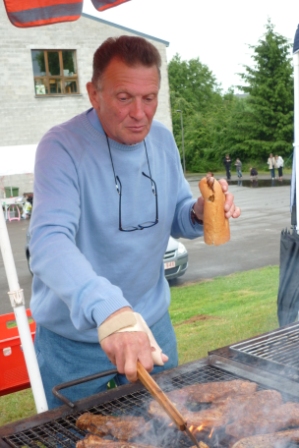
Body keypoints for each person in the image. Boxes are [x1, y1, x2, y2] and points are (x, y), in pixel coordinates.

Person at [29, 35, 240, 409]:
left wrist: (197, 212)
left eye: (150, 98)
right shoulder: (61, 146)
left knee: (171, 429)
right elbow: (48, 243)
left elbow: (175, 216)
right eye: (124, 98)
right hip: (72, 342)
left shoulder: (161, 139)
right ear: (94, 94)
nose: (140, 113)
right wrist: (112, 311)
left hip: (152, 326)